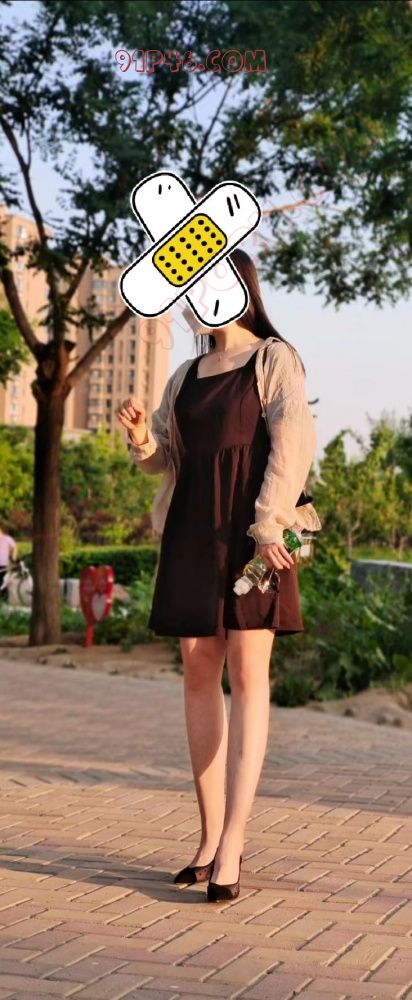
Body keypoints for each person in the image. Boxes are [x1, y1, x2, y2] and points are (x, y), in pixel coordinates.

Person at [116, 248, 321, 901]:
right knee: (198, 669)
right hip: (192, 532)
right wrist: (141, 439)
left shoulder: (273, 359)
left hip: (257, 534)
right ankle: (208, 839)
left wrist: (270, 525)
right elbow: (165, 458)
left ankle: (234, 841)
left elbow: (292, 445)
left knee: (248, 673)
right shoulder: (184, 376)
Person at [0, 526, 18, 595]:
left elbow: (15, 547)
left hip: (4, 564)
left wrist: (13, 558)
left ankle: (4, 596)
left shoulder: (8, 539)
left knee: (4, 582)